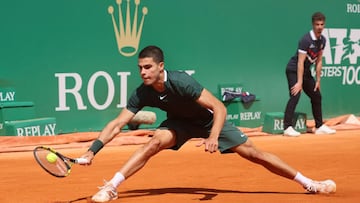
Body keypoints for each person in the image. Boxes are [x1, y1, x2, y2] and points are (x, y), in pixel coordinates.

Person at [81, 45, 336, 202]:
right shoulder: (142, 92)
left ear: (161, 66)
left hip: (209, 121)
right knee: (154, 142)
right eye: (140, 68)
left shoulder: (181, 82)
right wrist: (92, 151)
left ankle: (309, 183)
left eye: (148, 67)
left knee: (255, 155)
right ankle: (112, 187)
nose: (143, 72)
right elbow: (117, 124)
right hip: (180, 124)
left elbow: (219, 107)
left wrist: (213, 136)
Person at [283, 12, 336, 137]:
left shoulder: (323, 40)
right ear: (313, 25)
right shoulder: (306, 40)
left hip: (306, 72)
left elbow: (319, 61)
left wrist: (318, 80)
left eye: (322, 24)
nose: (320, 27)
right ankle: (287, 127)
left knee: (316, 95)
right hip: (293, 69)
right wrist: (299, 82)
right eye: (317, 24)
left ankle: (319, 126)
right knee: (295, 94)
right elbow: (300, 62)